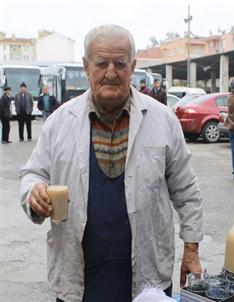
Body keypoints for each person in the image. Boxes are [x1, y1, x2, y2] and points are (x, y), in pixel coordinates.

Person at [19, 24, 203, 302]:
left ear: (133, 66)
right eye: (101, 63)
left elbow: (186, 190)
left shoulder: (162, 119)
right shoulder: (59, 122)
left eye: (120, 63)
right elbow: (33, 173)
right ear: (85, 66)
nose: (111, 73)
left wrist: (192, 249)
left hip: (146, 275)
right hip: (79, 274)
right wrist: (33, 192)